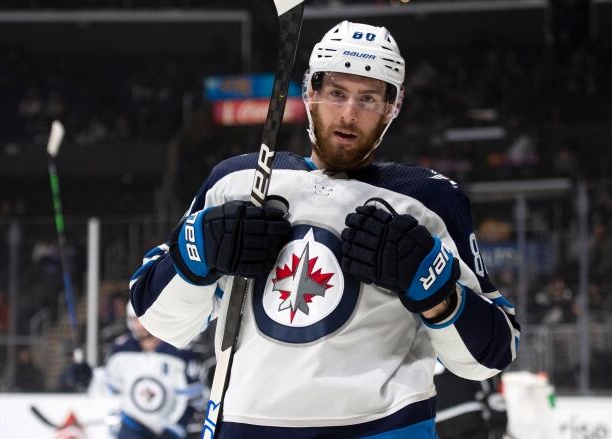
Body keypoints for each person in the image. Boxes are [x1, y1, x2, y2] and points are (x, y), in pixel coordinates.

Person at [130, 20, 519, 438]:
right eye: (336, 93)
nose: (350, 113)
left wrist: (438, 294)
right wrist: (199, 250)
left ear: (393, 106)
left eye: (368, 98)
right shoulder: (238, 182)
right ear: (309, 92)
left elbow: (492, 354)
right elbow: (160, 320)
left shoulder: (428, 200)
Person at [100, 303, 203, 439]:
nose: (139, 326)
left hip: (171, 431)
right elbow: (109, 388)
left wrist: (174, 428)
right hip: (132, 428)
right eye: (134, 319)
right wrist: (88, 379)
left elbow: (193, 400)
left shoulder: (182, 352)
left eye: (143, 319)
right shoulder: (120, 350)